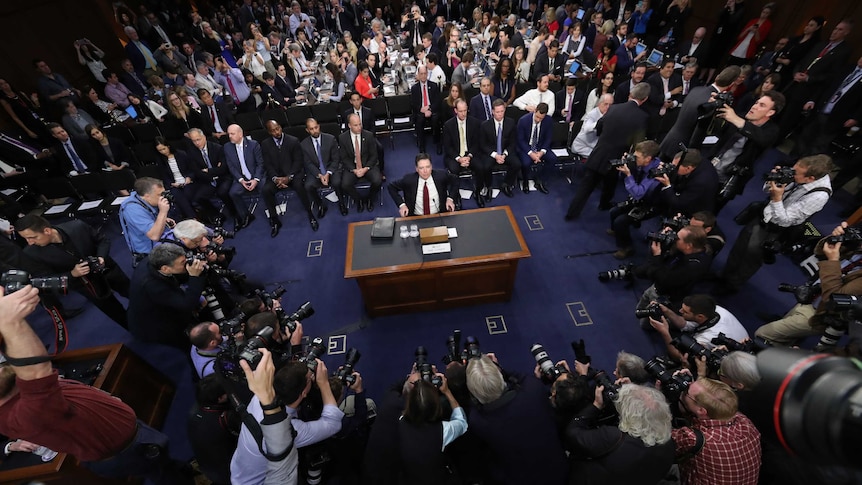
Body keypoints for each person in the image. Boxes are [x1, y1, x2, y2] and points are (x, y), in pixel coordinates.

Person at [0, 286, 188, 483]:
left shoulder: (12, 386)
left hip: (130, 433)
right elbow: (37, 372)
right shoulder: (17, 418)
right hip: (128, 451)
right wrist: (11, 321)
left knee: (169, 465)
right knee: (166, 477)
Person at [716, 155, 833, 294]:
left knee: (751, 257)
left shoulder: (819, 196)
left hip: (776, 230)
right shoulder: (800, 172)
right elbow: (767, 190)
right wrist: (774, 180)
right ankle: (723, 277)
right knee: (739, 248)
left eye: (796, 173)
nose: (792, 173)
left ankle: (731, 286)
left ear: (810, 179)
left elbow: (785, 220)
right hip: (763, 215)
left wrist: (777, 198)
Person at [231, 356, 344, 484]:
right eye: (309, 378)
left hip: (241, 472)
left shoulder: (260, 397)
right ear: (303, 393)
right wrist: (324, 384)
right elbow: (333, 424)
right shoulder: (291, 430)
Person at [465, 354, 569, 484]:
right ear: (500, 377)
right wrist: (497, 367)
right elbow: (522, 378)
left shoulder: (478, 421)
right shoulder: (533, 389)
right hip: (559, 472)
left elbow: (472, 404)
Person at [755, 222, 862, 347]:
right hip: (810, 298)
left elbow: (834, 298)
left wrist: (832, 261)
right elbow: (819, 252)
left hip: (820, 315)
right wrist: (834, 239)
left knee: (762, 335)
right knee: (785, 340)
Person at [15, 215, 130, 328]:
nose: (30, 242)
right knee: (115, 312)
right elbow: (46, 280)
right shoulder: (31, 253)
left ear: (47, 231)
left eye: (33, 237)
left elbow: (102, 241)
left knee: (133, 293)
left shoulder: (77, 226)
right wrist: (72, 274)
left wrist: (101, 257)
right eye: (25, 238)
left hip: (109, 271)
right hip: (86, 286)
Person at [565, 83, 650, 220]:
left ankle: (571, 213)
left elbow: (599, 127)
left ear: (630, 94)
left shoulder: (614, 108)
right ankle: (604, 204)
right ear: (645, 99)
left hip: (599, 153)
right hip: (616, 158)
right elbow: (638, 143)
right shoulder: (642, 117)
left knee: (586, 186)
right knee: (610, 184)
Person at [565, 383, 675, 484]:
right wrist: (635, 392)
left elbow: (572, 432)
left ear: (631, 415)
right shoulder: (669, 445)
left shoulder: (612, 438)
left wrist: (596, 405)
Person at [672, 378, 761, 485]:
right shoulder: (745, 422)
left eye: (687, 392)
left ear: (701, 410)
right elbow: (716, 401)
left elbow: (658, 439)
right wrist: (695, 384)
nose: (684, 391)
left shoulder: (693, 439)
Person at [712, 91, 784, 211]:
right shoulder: (740, 116)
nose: (755, 106)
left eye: (762, 105)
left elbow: (762, 139)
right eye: (756, 102)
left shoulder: (771, 131)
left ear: (770, 112)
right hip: (711, 166)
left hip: (729, 178)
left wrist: (737, 120)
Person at [128, 243, 206, 350]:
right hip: (155, 324)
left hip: (160, 304)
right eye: (183, 263)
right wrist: (195, 276)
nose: (187, 263)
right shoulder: (153, 286)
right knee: (188, 346)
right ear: (165, 269)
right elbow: (187, 304)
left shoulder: (154, 261)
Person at [633, 225, 712, 327]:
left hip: (667, 296)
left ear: (688, 245)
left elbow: (663, 278)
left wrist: (656, 256)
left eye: (677, 238)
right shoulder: (693, 250)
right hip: (656, 287)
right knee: (641, 307)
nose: (674, 239)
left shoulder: (693, 266)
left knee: (646, 324)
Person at [398, 372, 467, 484]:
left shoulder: (401, 422)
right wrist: (447, 392)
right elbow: (462, 422)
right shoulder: (443, 430)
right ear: (436, 404)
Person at [649, 294, 750, 362]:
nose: (680, 311)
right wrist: (666, 311)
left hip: (735, 362)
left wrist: (664, 332)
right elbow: (686, 325)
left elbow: (679, 356)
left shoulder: (708, 338)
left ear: (700, 316)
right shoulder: (716, 310)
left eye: (685, 311)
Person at [261, 120, 318, 235]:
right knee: (266, 190)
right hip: (277, 176)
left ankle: (310, 214)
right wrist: (275, 178)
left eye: (278, 128)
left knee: (299, 186)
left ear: (280, 127)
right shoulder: (265, 144)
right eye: (273, 131)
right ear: (269, 132)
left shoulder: (293, 141)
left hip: (293, 174)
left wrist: (289, 177)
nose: (277, 132)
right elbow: (267, 164)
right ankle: (275, 220)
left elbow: (298, 161)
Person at [608, 140, 662, 259]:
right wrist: (627, 167)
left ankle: (627, 248)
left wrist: (628, 175)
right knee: (614, 211)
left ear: (648, 159)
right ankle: (616, 231)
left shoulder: (656, 172)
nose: (634, 158)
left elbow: (639, 193)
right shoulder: (640, 163)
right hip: (639, 197)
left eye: (637, 157)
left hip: (651, 203)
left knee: (620, 221)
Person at [186, 127, 239, 224]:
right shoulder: (191, 152)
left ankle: (236, 215)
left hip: (223, 178)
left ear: (204, 137)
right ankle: (217, 215)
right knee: (198, 198)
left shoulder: (217, 148)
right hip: (207, 180)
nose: (197, 143)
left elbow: (223, 169)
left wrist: (208, 170)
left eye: (198, 139)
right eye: (194, 141)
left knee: (222, 192)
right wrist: (212, 172)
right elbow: (197, 171)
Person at [118, 177, 174, 262]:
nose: (163, 197)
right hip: (150, 254)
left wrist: (163, 220)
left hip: (161, 244)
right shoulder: (132, 209)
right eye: (160, 194)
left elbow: (149, 217)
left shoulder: (145, 200)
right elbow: (154, 236)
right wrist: (163, 212)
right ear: (147, 196)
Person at [154, 137, 210, 221]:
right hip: (174, 184)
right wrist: (172, 184)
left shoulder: (181, 154)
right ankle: (193, 218)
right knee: (178, 196)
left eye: (164, 149)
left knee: (188, 193)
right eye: (160, 150)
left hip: (188, 181)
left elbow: (191, 169)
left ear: (168, 146)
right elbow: (164, 176)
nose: (163, 152)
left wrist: (189, 177)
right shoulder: (160, 160)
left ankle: (196, 216)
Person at [656, 148, 721, 217]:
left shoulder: (700, 183)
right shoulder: (695, 160)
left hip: (695, 211)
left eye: (675, 167)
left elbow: (679, 204)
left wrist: (667, 185)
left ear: (688, 168)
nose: (673, 168)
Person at [389, 153, 458, 217]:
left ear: (431, 167)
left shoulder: (441, 175)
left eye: (428, 167)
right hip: (416, 217)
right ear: (416, 169)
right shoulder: (409, 180)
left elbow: (455, 180)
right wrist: (402, 205)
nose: (425, 171)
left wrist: (450, 199)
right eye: (421, 168)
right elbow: (391, 187)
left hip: (438, 215)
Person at [224, 124, 264, 230]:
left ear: (240, 134)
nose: (230, 136)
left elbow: (260, 164)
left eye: (232, 134)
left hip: (256, 176)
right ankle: (246, 215)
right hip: (241, 178)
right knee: (233, 193)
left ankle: (272, 214)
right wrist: (241, 180)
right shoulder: (227, 147)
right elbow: (231, 166)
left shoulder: (253, 145)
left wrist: (256, 179)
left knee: (265, 189)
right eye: (229, 134)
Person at [441, 100, 482, 205]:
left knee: (481, 167)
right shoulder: (448, 125)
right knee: (454, 170)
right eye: (460, 111)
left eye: (465, 111)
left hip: (470, 155)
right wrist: (459, 158)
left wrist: (469, 156)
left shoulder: (475, 123)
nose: (463, 114)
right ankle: (455, 195)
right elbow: (447, 147)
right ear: (455, 111)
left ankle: (478, 192)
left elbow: (477, 143)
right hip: (454, 156)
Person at [339, 114, 382, 212]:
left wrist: (366, 168)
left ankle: (370, 199)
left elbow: (374, 155)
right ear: (349, 125)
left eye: (360, 124)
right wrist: (354, 170)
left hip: (367, 165)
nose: (359, 127)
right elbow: (344, 158)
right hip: (353, 167)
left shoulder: (369, 135)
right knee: (345, 184)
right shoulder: (342, 138)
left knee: (377, 181)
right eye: (356, 125)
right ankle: (359, 200)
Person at [301, 118, 344, 217]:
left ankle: (342, 203)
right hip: (317, 172)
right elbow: (308, 163)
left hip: (331, 169)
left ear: (319, 126)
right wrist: (320, 175)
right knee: (308, 186)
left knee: (337, 182)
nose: (315, 130)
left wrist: (328, 173)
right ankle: (320, 205)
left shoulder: (330, 139)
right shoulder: (303, 145)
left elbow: (336, 159)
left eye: (316, 127)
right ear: (307, 130)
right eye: (311, 129)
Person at [477, 99, 519, 199]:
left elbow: (513, 142)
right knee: (486, 166)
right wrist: (495, 155)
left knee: (517, 164)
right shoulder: (485, 125)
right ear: (492, 112)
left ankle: (506, 184)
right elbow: (483, 145)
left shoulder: (511, 123)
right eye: (497, 112)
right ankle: (489, 186)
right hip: (491, 152)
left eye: (502, 111)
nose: (500, 114)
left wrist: (504, 154)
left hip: (505, 152)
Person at [515, 102, 556, 195]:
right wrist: (531, 153)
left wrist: (541, 152)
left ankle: (540, 180)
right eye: (537, 117)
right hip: (526, 147)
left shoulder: (548, 120)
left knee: (552, 159)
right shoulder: (523, 120)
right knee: (526, 162)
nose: (538, 120)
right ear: (535, 111)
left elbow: (548, 138)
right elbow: (520, 140)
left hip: (540, 146)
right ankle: (525, 181)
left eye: (541, 118)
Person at [571, 93, 613, 158]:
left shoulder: (611, 115)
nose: (608, 107)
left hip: (596, 146)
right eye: (605, 104)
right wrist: (601, 121)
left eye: (610, 105)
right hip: (582, 146)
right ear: (599, 104)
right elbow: (587, 128)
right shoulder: (592, 114)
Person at [411, 65, 441, 154]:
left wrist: (429, 108)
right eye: (421, 74)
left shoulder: (434, 86)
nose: (423, 76)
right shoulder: (414, 88)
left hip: (432, 110)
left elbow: (437, 102)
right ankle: (422, 145)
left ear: (427, 74)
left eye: (425, 73)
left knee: (436, 119)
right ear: (418, 75)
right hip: (420, 111)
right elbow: (413, 104)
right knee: (419, 120)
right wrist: (421, 109)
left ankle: (437, 142)